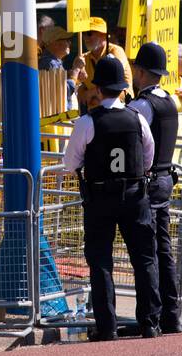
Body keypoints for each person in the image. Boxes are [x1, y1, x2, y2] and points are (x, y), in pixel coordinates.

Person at [61, 56, 161, 341]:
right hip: (134, 194)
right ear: (121, 89)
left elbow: (70, 164)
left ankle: (107, 326)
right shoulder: (137, 118)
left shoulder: (87, 122)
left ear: (98, 88)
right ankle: (150, 323)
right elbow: (148, 156)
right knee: (144, 259)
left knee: (101, 261)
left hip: (100, 197)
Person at [128, 43, 182, 333]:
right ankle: (171, 316)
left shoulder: (141, 105)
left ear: (140, 71)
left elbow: (135, 145)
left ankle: (150, 316)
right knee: (163, 250)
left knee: (146, 253)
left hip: (148, 183)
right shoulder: (169, 101)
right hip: (165, 180)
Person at [76, 17, 132, 111]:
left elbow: (112, 84)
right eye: (84, 34)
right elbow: (80, 93)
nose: (85, 37)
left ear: (103, 35)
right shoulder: (83, 58)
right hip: (95, 113)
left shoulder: (116, 51)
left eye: (89, 33)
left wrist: (90, 94)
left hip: (120, 109)